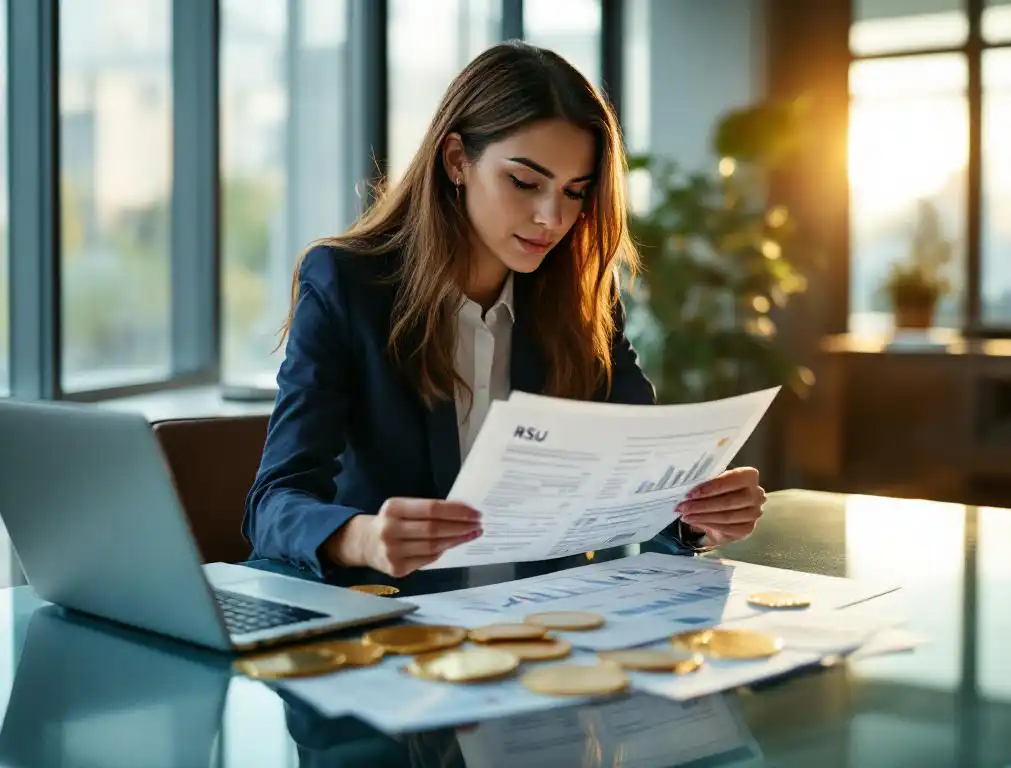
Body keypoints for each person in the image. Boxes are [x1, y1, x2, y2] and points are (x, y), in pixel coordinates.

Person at [243, 41, 766, 580]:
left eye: (575, 192)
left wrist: (697, 515)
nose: (552, 218)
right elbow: (274, 504)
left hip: (549, 632)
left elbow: (638, 489)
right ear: (456, 161)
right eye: (524, 182)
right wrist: (363, 538)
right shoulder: (347, 284)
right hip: (401, 630)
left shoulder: (583, 298)